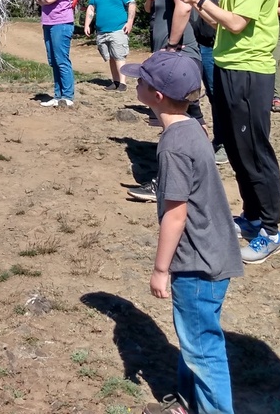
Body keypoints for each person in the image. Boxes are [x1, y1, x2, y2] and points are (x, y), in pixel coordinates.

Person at [121, 51, 242, 414]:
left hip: (196, 263)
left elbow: (175, 214)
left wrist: (161, 269)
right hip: (215, 251)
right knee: (195, 337)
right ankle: (188, 401)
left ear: (156, 96)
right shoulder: (192, 128)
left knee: (202, 347)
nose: (136, 83)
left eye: (141, 80)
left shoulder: (173, 145)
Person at [171, 0, 280, 264]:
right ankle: (251, 218)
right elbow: (220, 22)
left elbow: (236, 23)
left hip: (250, 71)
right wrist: (194, 1)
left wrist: (200, 0)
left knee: (254, 150)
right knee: (234, 148)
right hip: (227, 65)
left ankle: (270, 229)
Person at [129, 0, 205, 202]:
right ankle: (196, 176)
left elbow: (184, 7)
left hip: (179, 58)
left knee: (177, 123)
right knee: (190, 121)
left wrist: (171, 46)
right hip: (178, 59)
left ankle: (169, 184)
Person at [196, 0, 229, 164]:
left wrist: (194, 3)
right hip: (205, 43)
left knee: (219, 96)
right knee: (212, 95)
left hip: (214, 43)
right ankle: (220, 139)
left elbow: (217, 12)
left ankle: (226, 143)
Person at [36, 0, 77, 107]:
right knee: (53, 60)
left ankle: (67, 96)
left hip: (62, 23)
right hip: (48, 22)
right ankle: (57, 95)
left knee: (61, 59)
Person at [84, 0, 136, 91]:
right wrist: (87, 24)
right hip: (102, 31)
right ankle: (116, 81)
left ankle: (123, 83)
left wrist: (129, 22)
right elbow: (91, 8)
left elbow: (132, 4)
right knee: (111, 57)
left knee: (119, 56)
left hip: (118, 29)